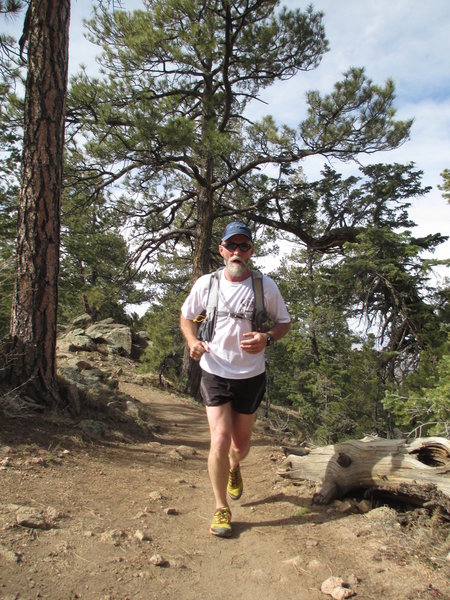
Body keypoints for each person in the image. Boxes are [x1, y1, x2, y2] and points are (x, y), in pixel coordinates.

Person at [180, 221, 291, 537]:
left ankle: (234, 467)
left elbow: (283, 323)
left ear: (251, 251)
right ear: (221, 250)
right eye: (232, 246)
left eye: (244, 247)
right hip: (215, 371)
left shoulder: (264, 286)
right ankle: (220, 508)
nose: (237, 252)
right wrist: (193, 342)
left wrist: (267, 338)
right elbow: (187, 316)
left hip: (251, 375)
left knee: (240, 446)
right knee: (219, 438)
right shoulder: (208, 284)